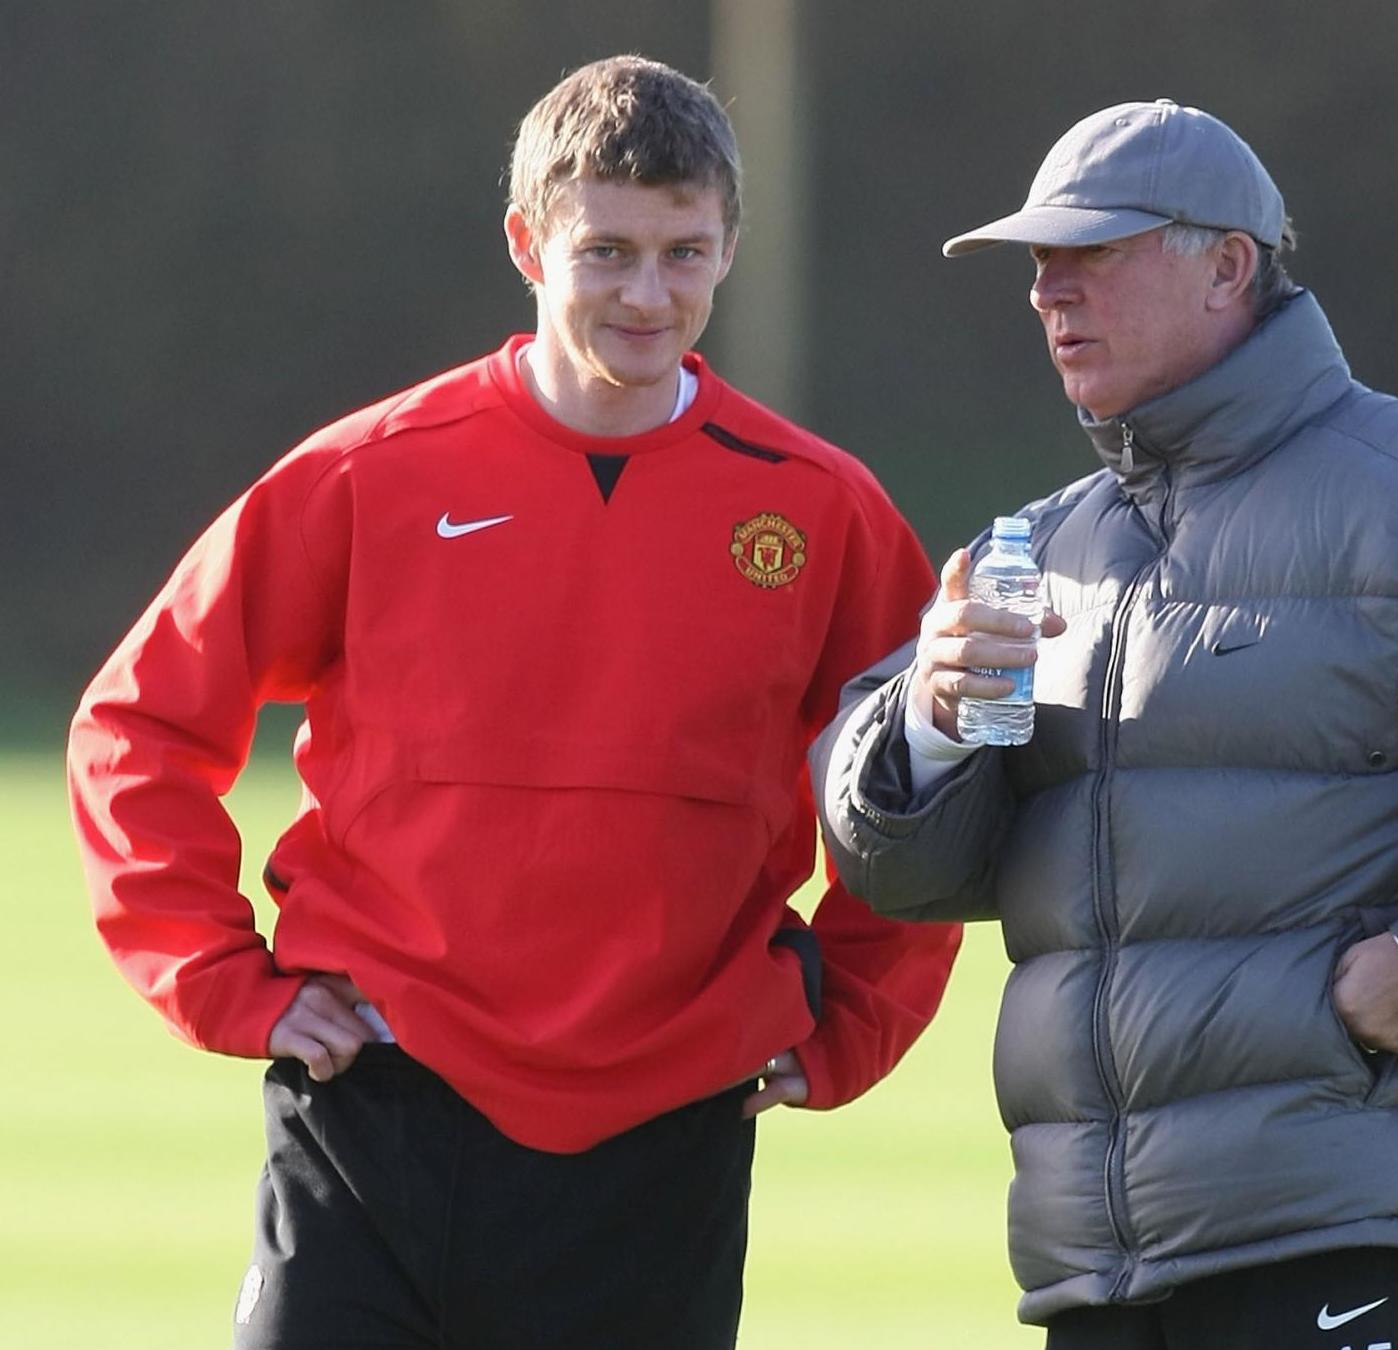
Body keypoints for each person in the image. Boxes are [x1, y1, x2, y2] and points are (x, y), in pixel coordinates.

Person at [813, 99, 1398, 1349]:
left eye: (1088, 254)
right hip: (1099, 1268)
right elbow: (901, 868)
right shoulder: (1048, 549)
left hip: (1349, 1228)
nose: (1048, 292)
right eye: (1036, 266)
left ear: (1226, 266)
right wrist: (926, 723)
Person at [69, 55, 958, 1349]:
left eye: (683, 252)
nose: (647, 292)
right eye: (606, 251)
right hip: (378, 1100)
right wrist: (224, 978)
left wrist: (853, 1017)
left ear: (727, 249)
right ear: (526, 242)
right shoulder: (368, 476)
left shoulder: (820, 509)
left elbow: (921, 788)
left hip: (663, 1135)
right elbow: (138, 725)